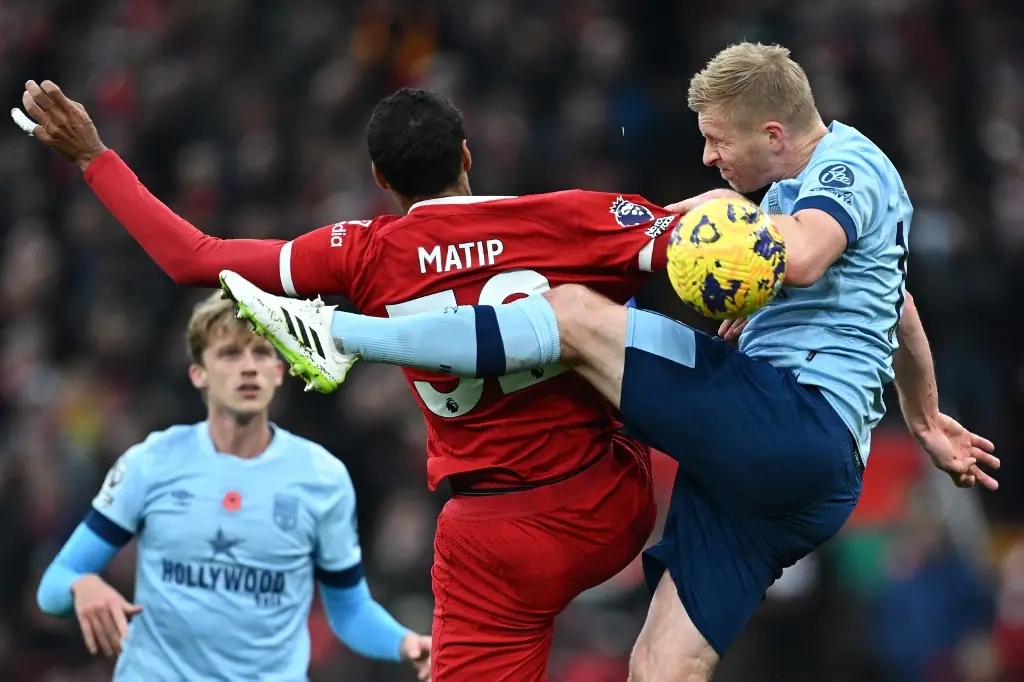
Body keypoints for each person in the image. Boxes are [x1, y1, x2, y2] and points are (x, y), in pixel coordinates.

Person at [215, 43, 1000, 682]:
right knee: (660, 666)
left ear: (772, 133)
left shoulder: (846, 168)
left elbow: (800, 257)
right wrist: (925, 417)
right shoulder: (785, 192)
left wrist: (729, 227)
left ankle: (346, 337)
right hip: (767, 480)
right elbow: (895, 304)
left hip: (793, 419)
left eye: (717, 141)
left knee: (568, 312)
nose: (706, 156)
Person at [15, 82, 671, 681]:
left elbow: (193, 257)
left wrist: (94, 157)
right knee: (659, 387)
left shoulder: (364, 253)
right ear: (466, 155)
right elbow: (695, 242)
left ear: (380, 178)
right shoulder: (566, 217)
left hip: (498, 539)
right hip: (611, 505)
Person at [35, 293, 430, 681]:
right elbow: (54, 584)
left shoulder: (322, 478)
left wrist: (406, 643)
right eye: (229, 354)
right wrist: (81, 586)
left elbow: (349, 610)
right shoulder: (151, 463)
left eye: (261, 353)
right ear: (199, 374)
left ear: (279, 371)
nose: (248, 368)